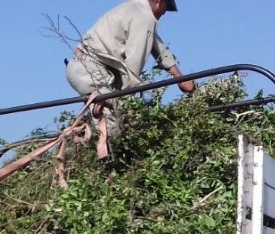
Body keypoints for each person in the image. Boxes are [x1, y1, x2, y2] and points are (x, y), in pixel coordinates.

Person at [66, 0, 195, 143]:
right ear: (159, 1)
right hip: (91, 71)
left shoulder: (135, 8)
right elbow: (134, 65)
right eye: (166, 6)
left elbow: (157, 47)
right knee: (113, 131)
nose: (165, 13)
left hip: (84, 69)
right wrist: (129, 103)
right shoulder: (144, 17)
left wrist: (180, 78)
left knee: (113, 123)